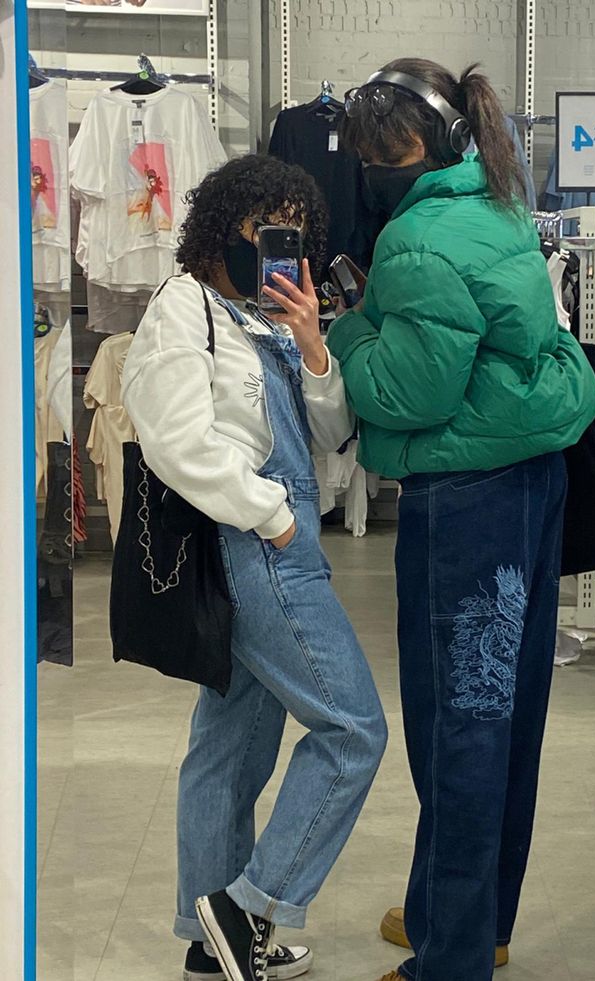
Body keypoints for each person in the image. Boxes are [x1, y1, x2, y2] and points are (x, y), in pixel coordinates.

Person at [327, 59, 595, 981]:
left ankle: (449, 960)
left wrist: (344, 330)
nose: (370, 171)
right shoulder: (499, 206)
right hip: (529, 486)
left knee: (458, 729)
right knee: (504, 715)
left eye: (375, 152)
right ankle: (473, 921)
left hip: (465, 502)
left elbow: (408, 390)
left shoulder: (416, 239)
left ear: (405, 147)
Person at [122, 155, 388, 981]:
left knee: (230, 750)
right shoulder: (182, 309)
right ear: (220, 228)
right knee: (353, 731)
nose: (281, 246)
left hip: (279, 537)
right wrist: (272, 519)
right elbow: (175, 440)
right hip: (255, 545)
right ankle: (250, 909)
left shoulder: (266, 321)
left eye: (294, 234)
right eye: (264, 229)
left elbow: (336, 433)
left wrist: (314, 345)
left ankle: (212, 949)